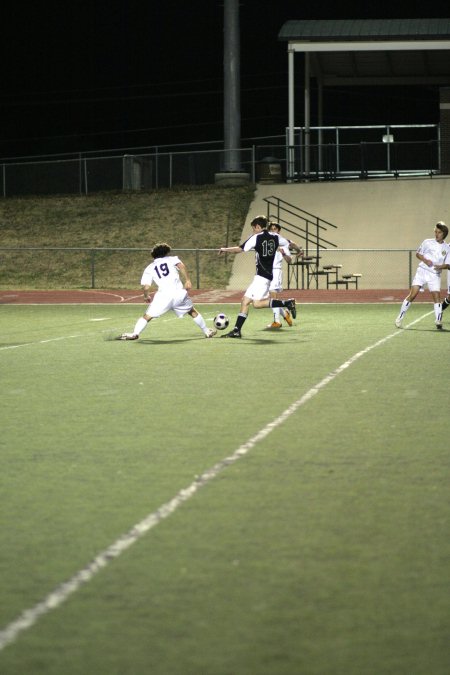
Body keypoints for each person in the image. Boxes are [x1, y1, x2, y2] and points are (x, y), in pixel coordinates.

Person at [218, 215, 297, 338]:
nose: (253, 231)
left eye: (253, 228)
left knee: (257, 304)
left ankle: (286, 303)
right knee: (245, 301)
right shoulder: (275, 236)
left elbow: (240, 249)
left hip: (262, 277)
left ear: (258, 227)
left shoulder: (256, 238)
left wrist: (225, 249)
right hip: (265, 275)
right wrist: (298, 249)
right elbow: (288, 243)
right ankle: (236, 330)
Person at [119, 242, 216, 340]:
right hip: (178, 293)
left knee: (147, 316)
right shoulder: (172, 259)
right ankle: (207, 331)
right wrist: (187, 280)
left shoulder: (149, 268)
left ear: (154, 255)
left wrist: (146, 296)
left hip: (163, 296)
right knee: (192, 311)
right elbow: (181, 266)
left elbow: (146, 287)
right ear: (165, 252)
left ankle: (135, 333)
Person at [395, 222, 449, 330]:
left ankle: (438, 320)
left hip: (435, 274)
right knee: (412, 295)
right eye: (435, 232)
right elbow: (418, 254)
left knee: (437, 298)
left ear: (444, 234)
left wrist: (440, 267)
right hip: (422, 271)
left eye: (439, 232)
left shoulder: (447, 248)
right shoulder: (427, 242)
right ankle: (399, 318)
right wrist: (425, 260)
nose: (436, 234)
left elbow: (448, 264)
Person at [266, 221, 303, 328]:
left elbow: (289, 260)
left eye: (275, 229)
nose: (273, 230)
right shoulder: (267, 241)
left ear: (278, 230)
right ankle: (285, 313)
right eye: (271, 229)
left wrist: (285, 252)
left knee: (273, 295)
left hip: (275, 270)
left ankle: (277, 321)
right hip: (265, 271)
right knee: (269, 299)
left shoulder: (282, 242)